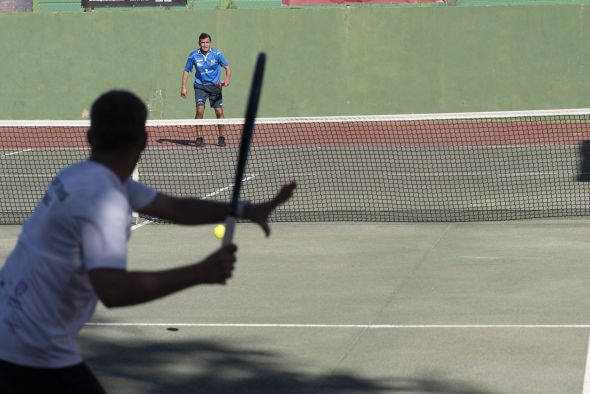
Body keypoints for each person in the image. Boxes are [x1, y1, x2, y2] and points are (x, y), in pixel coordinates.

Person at [0, 90, 295, 393]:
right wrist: (201, 272)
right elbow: (112, 290)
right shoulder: (107, 201)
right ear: (143, 140)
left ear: (90, 137)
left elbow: (176, 209)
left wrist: (246, 209)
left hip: (13, 332)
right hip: (32, 350)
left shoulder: (79, 175)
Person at [181, 32, 231, 148]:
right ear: (199, 43)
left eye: (207, 42)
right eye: (202, 42)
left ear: (210, 43)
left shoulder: (217, 54)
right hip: (200, 87)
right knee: (200, 111)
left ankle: (221, 136)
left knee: (219, 112)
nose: (205, 45)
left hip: (215, 87)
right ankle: (199, 137)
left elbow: (227, 67)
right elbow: (187, 71)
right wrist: (183, 87)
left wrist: (227, 78)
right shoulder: (193, 55)